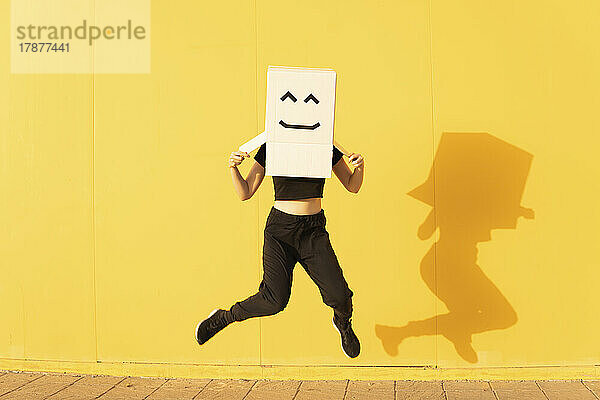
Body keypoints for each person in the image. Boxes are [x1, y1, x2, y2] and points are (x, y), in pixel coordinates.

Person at [195, 143, 364, 358]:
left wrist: (359, 167)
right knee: (274, 300)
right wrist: (233, 168)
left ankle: (343, 323)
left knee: (340, 296)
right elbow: (245, 192)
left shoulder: (322, 141)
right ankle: (224, 317)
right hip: (280, 232)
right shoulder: (273, 144)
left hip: (313, 232)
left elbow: (352, 185)